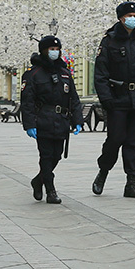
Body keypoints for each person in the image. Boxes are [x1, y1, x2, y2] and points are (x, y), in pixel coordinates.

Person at [92, 2, 135, 198]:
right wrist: (106, 98)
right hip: (117, 98)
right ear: (121, 18)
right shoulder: (110, 41)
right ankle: (103, 172)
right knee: (115, 139)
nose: (133, 18)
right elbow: (100, 73)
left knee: (134, 142)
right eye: (129, 15)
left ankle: (131, 183)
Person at [20, 35, 83, 204]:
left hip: (61, 121)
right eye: (51, 49)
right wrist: (29, 124)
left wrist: (78, 120)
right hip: (43, 120)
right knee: (46, 156)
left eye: (57, 49)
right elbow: (27, 101)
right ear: (44, 51)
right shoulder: (33, 74)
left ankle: (37, 181)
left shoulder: (64, 73)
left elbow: (74, 99)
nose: (54, 52)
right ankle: (51, 190)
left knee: (57, 156)